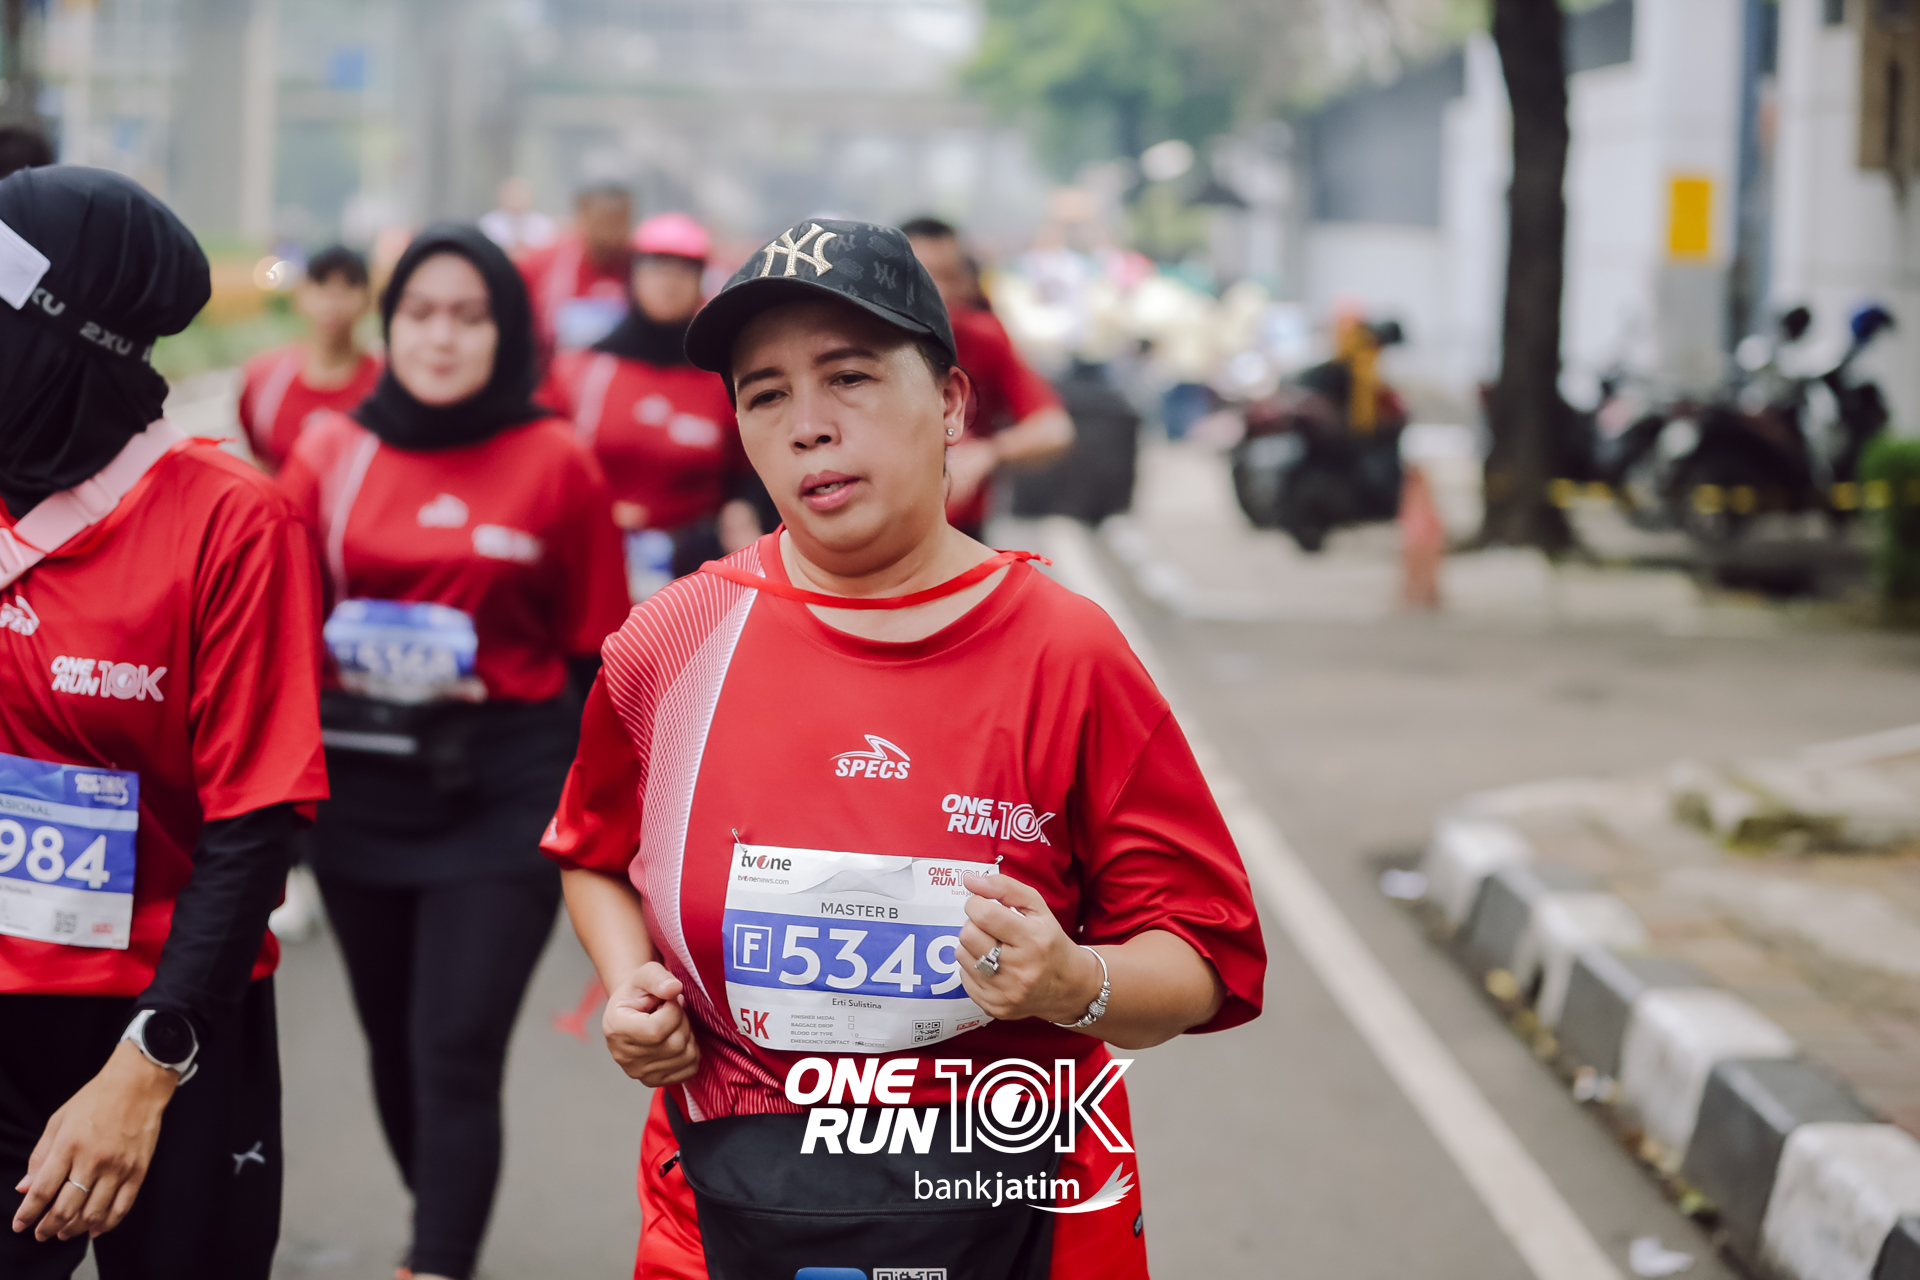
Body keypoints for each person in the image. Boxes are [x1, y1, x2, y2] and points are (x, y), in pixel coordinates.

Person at [542, 219, 1266, 1279]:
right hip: (726, 1217)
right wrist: (628, 985)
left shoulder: (1067, 654)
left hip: (1019, 1219)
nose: (809, 427)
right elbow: (593, 852)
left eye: (849, 377)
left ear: (953, 403)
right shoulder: (674, 640)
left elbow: (1204, 957)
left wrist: (1074, 981)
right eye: (766, 394)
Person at [278, 224, 628, 1280]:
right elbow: (278, 627)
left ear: (506, 330)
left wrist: (616, 827)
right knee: (394, 1046)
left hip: (503, 787)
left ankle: (436, 1261)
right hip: (361, 790)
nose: (442, 337)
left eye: (469, 316)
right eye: (422, 313)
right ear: (390, 325)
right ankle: (438, 1219)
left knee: (454, 1047)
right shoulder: (330, 453)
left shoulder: (557, 460)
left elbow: (596, 652)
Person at [0, 168, 326, 1277]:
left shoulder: (234, 522)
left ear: (70, 334)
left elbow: (254, 823)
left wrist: (149, 1063)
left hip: (167, 1023)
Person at [542, 212, 761, 599]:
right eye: (658, 267)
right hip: (588, 562)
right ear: (633, 275)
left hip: (695, 577)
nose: (669, 282)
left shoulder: (724, 379)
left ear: (701, 281)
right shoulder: (582, 369)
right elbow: (545, 464)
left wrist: (743, 510)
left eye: (684, 271)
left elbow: (751, 470)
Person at [903, 215, 1074, 537]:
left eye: (948, 276)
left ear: (966, 282)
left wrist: (987, 453)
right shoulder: (862, 342)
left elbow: (1054, 429)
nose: (936, 291)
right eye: (921, 277)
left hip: (960, 535)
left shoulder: (982, 337)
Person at [236, 245, 381, 474]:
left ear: (368, 298)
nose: (333, 299)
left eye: (348, 286)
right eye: (322, 284)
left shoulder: (388, 383)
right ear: (301, 294)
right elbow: (259, 462)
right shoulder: (263, 380)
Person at [518, 183, 633, 360]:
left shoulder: (642, 267)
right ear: (581, 217)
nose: (611, 234)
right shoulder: (542, 264)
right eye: (603, 222)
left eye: (620, 223)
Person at [477, 177, 556, 259]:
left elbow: (549, 252)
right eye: (511, 194)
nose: (516, 197)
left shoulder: (543, 224)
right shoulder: (488, 224)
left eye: (521, 193)